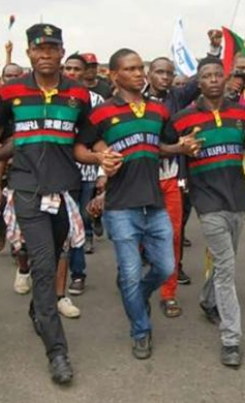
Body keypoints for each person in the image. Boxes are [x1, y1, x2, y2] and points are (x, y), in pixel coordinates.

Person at [0, 23, 90, 385]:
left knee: (53, 256)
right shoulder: (11, 91)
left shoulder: (78, 95)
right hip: (26, 189)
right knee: (41, 265)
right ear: (29, 54)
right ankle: (57, 351)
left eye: (53, 48)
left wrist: (101, 159)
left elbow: (86, 140)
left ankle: (38, 309)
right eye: (39, 49)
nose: (46, 55)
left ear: (62, 51)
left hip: (64, 191)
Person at [76, 48, 199, 361]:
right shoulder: (100, 113)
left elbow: (163, 146)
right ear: (114, 75)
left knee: (166, 267)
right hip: (120, 207)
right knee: (130, 273)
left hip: (154, 202)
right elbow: (80, 146)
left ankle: (138, 296)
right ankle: (141, 331)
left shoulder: (158, 111)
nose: (138, 73)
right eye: (130, 69)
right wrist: (99, 157)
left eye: (139, 67)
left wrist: (182, 147)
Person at [166, 56, 245, 367]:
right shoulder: (182, 119)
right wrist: (178, 150)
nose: (214, 79)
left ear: (226, 77)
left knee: (224, 258)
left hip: (238, 197)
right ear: (198, 82)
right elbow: (162, 146)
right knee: (228, 267)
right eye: (207, 75)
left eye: (218, 74)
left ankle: (206, 300)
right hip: (206, 199)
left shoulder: (243, 113)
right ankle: (231, 339)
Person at [144, 56, 200, 316]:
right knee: (134, 237)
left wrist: (215, 48)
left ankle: (168, 294)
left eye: (169, 73)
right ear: (148, 74)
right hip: (137, 179)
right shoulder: (133, 98)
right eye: (159, 72)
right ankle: (135, 286)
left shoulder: (177, 97)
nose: (165, 77)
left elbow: (203, 78)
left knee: (173, 236)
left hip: (170, 178)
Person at [63, 52, 105, 295]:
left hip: (88, 171)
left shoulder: (97, 100)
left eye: (77, 69)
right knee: (66, 224)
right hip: (59, 171)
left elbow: (102, 139)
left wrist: (102, 173)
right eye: (68, 68)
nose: (72, 73)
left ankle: (77, 273)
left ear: (85, 72)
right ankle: (67, 273)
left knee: (80, 219)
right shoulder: (55, 98)